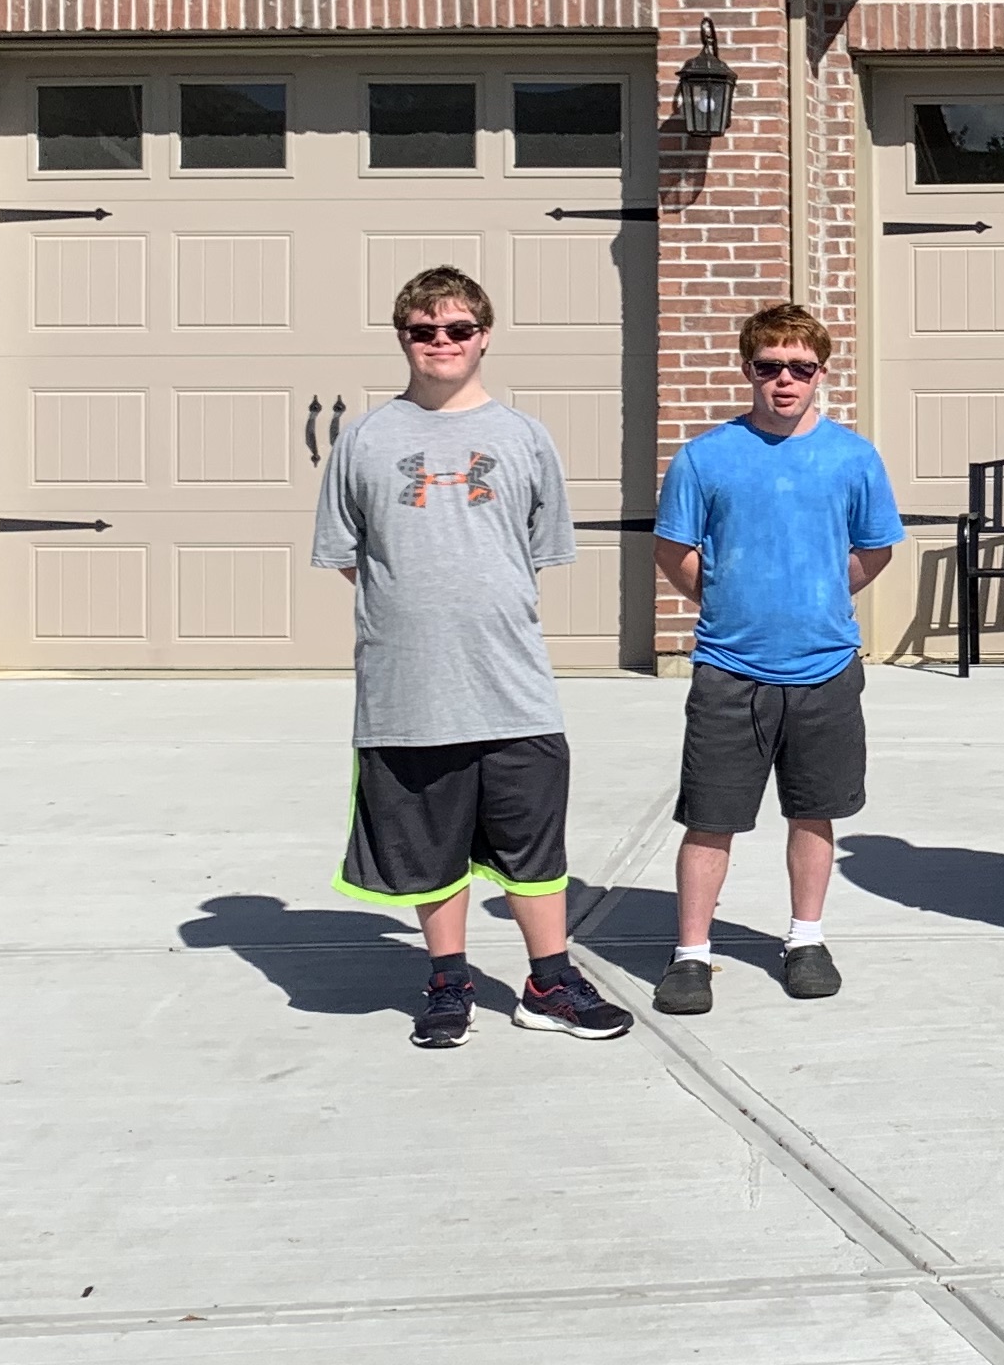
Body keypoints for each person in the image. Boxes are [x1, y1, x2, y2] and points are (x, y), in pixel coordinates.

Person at [316, 265, 632, 1050]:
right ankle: (448, 978)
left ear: (484, 335)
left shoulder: (524, 438)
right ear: (403, 339)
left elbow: (535, 548)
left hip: (512, 683)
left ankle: (548, 980)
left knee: (533, 843)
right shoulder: (364, 439)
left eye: (458, 329)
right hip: (406, 688)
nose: (441, 344)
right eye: (424, 331)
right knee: (429, 846)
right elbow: (354, 557)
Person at [648, 303, 902, 1015]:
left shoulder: (853, 457)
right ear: (747, 370)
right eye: (769, 368)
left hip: (823, 667)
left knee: (814, 813)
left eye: (800, 368)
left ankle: (806, 938)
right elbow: (674, 550)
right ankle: (692, 952)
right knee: (710, 817)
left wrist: (822, 591)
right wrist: (725, 599)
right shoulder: (706, 457)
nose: (784, 381)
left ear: (821, 373)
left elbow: (873, 547)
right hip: (730, 669)